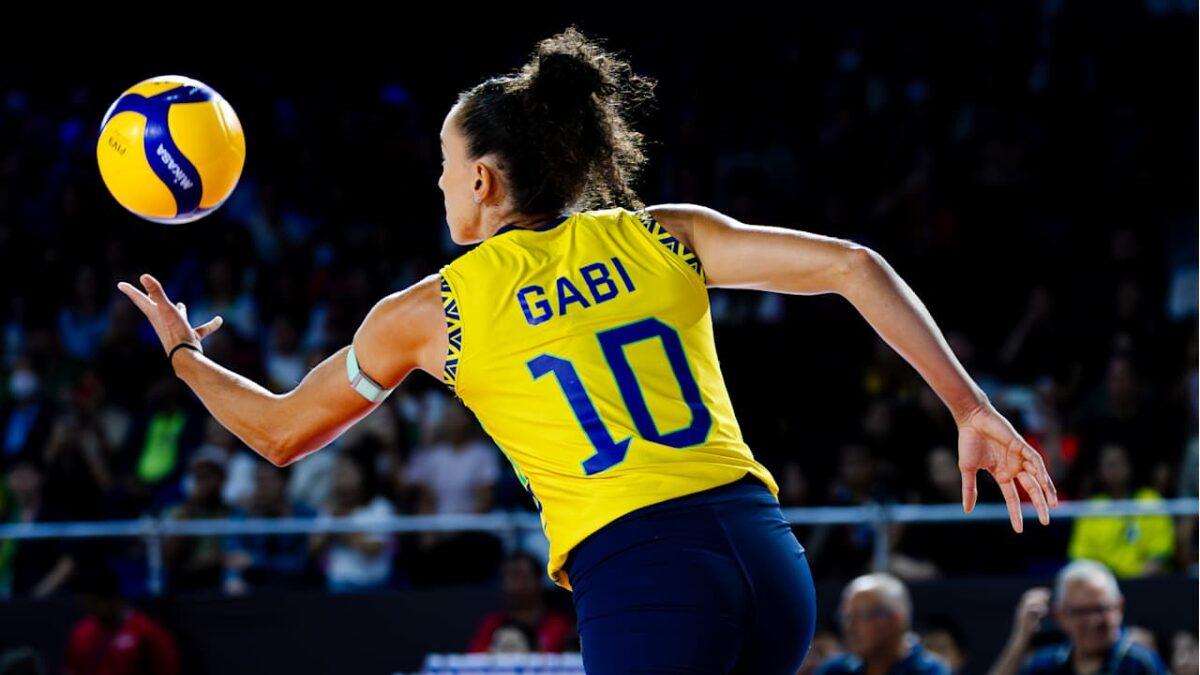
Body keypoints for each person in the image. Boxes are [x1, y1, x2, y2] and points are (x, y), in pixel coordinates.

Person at [116, 27, 1057, 673]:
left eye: (442, 165)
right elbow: (854, 264)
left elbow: (282, 436)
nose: (436, 181)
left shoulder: (428, 311)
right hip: (770, 564)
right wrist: (970, 406)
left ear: (480, 179)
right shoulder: (663, 233)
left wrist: (186, 358)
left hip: (646, 579)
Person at [989, 560, 1167, 675]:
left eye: (1101, 609)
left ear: (1119, 607)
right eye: (1081, 612)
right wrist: (1020, 639)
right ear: (1060, 615)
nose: (1093, 621)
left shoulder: (1139, 664)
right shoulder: (1047, 665)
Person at [816, 573, 951, 675]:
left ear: (896, 619)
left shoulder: (931, 672)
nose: (850, 627)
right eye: (846, 617)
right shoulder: (834, 670)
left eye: (861, 616)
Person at [468, 553, 572, 653]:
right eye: (512, 577)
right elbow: (473, 661)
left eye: (524, 576)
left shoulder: (559, 625)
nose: (518, 584)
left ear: (539, 581)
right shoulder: (491, 625)